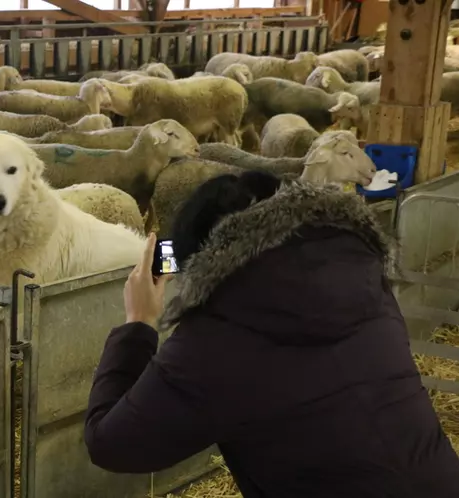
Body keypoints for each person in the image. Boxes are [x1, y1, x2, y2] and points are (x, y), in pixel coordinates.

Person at [84, 171, 459, 498]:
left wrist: (138, 323)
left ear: (200, 258)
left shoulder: (214, 342)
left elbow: (110, 445)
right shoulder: (365, 278)